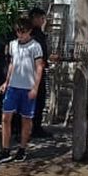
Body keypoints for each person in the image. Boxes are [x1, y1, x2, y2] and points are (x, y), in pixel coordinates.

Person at [0, 17, 44, 164]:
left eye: (23, 32)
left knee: (26, 119)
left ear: (29, 32)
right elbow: (13, 64)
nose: (20, 35)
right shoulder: (13, 45)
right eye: (18, 32)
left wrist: (35, 88)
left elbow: (39, 67)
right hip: (13, 86)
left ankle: (22, 149)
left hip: (27, 87)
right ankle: (5, 149)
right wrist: (6, 82)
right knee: (6, 117)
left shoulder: (35, 46)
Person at [27, 7, 52, 139]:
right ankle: (27, 128)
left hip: (39, 70)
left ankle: (36, 127)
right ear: (35, 18)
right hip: (32, 72)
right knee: (32, 100)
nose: (43, 21)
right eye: (41, 18)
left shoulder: (40, 34)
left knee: (40, 100)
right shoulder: (31, 34)